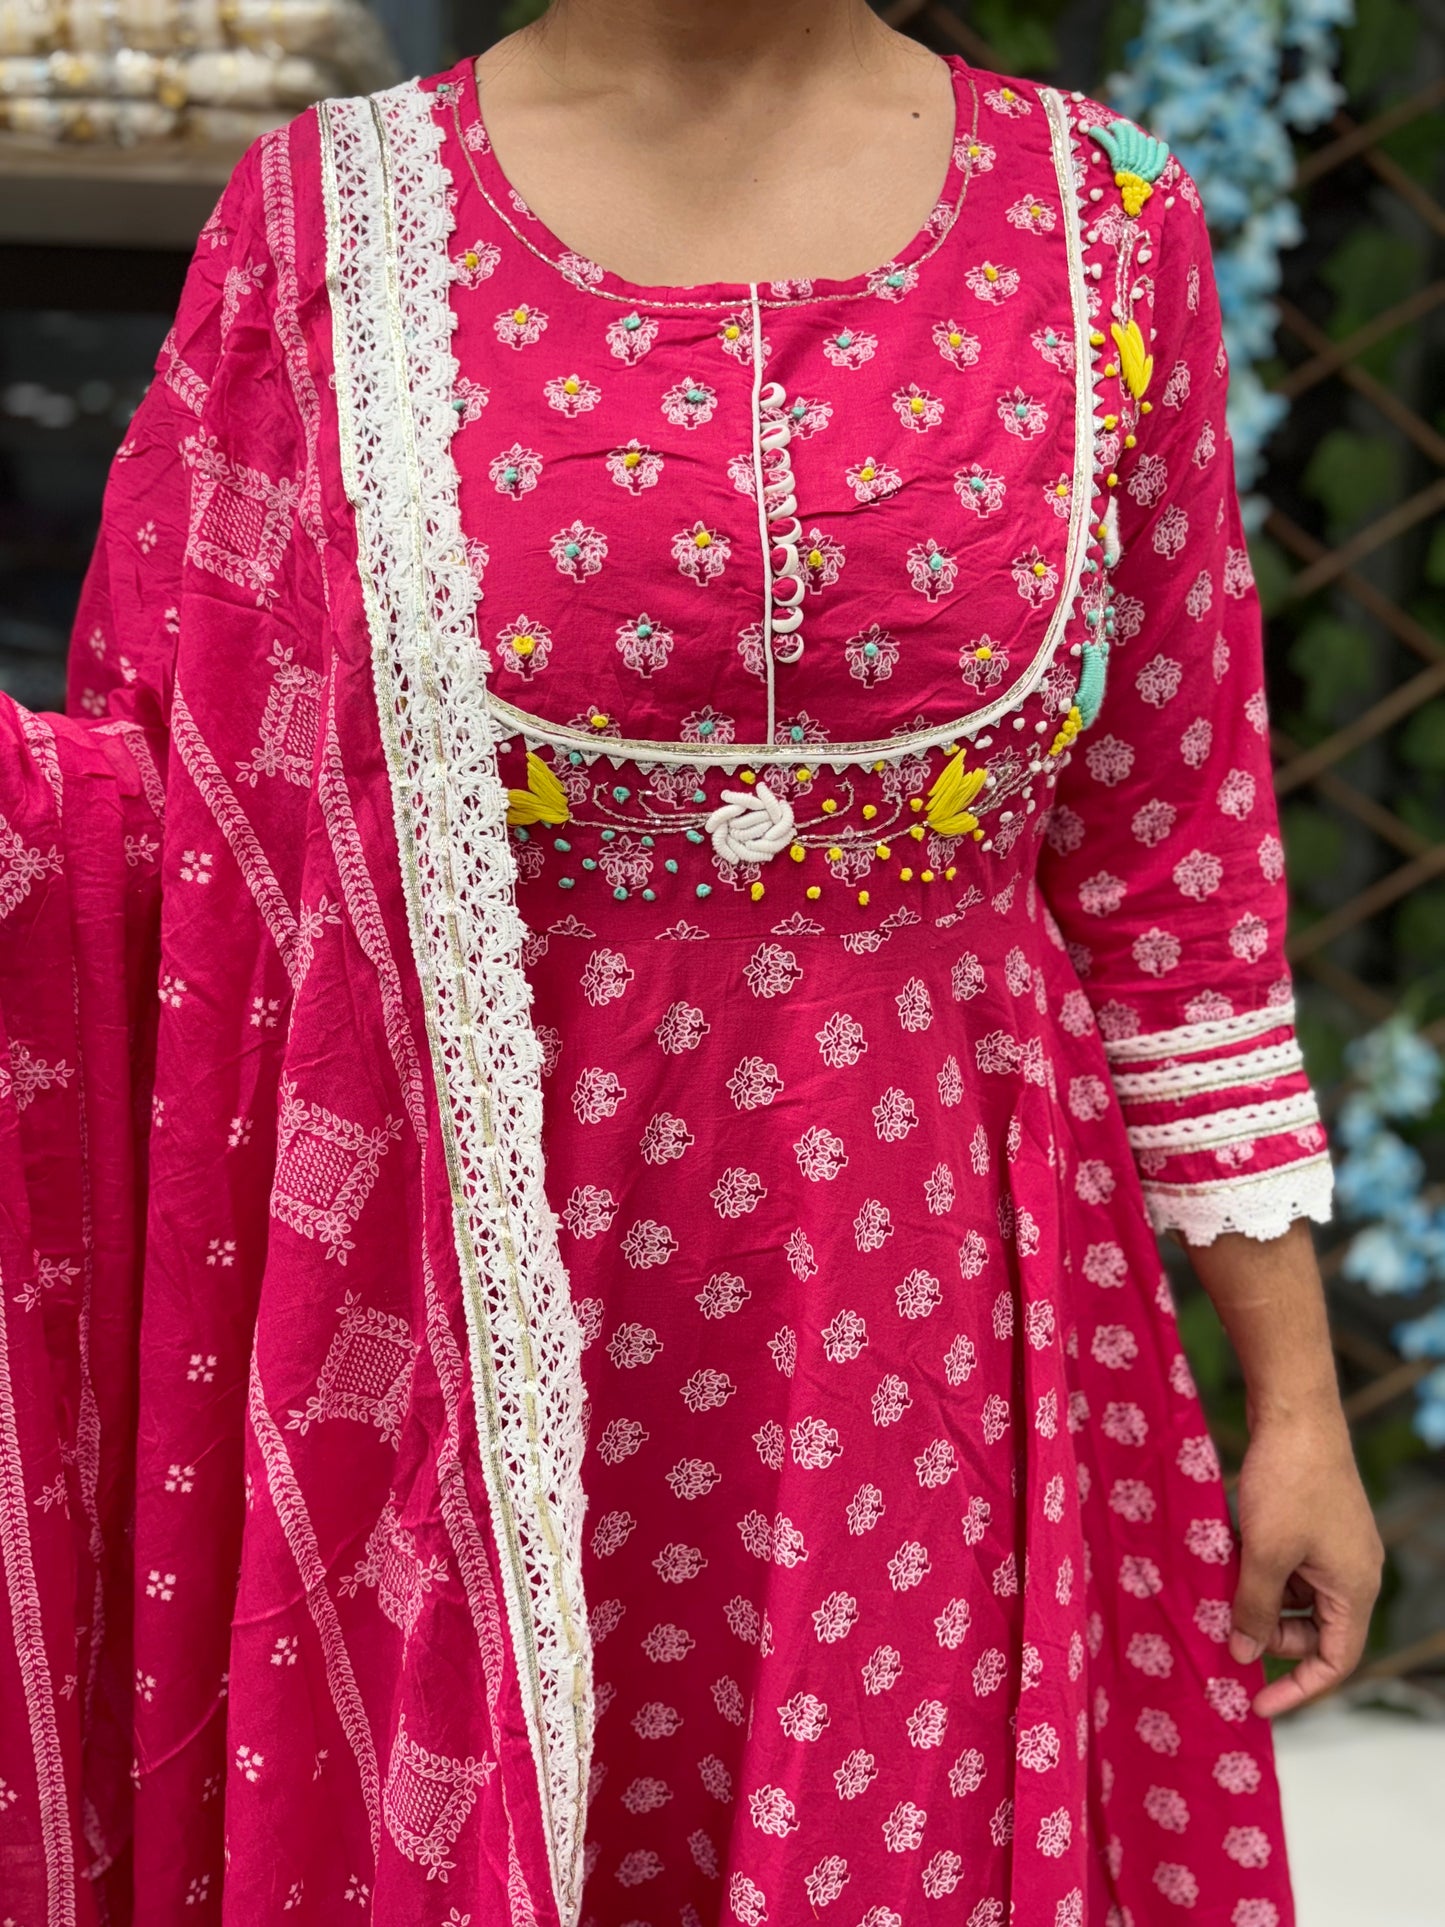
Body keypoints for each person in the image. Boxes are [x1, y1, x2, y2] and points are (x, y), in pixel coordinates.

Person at [0, 3, 1384, 1923]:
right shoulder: (322, 222)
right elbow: (176, 821)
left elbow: (1172, 872)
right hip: (461, 1288)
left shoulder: (1102, 214)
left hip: (940, 1301)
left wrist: (1296, 1410)